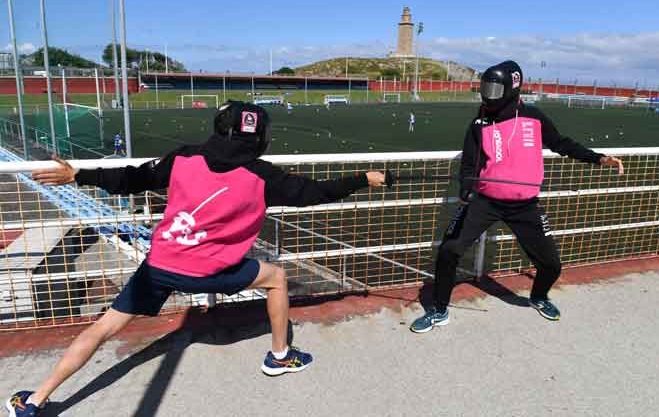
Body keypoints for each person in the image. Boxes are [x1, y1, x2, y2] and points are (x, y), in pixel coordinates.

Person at [8, 100, 386, 416]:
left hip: (159, 266)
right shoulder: (263, 176)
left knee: (104, 327)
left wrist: (78, 174)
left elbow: (131, 178)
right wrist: (362, 179)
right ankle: (279, 355)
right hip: (210, 274)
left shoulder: (184, 157)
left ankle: (35, 401)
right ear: (261, 139)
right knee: (276, 278)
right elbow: (317, 192)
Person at [409, 60, 624, 333]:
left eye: (495, 88)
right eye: (485, 88)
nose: (488, 94)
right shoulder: (479, 123)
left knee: (551, 265)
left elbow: (561, 144)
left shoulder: (533, 117)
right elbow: (469, 166)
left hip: (525, 206)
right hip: (485, 202)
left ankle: (538, 296)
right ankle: (439, 310)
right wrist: (466, 188)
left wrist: (599, 159)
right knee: (449, 251)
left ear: (512, 88)